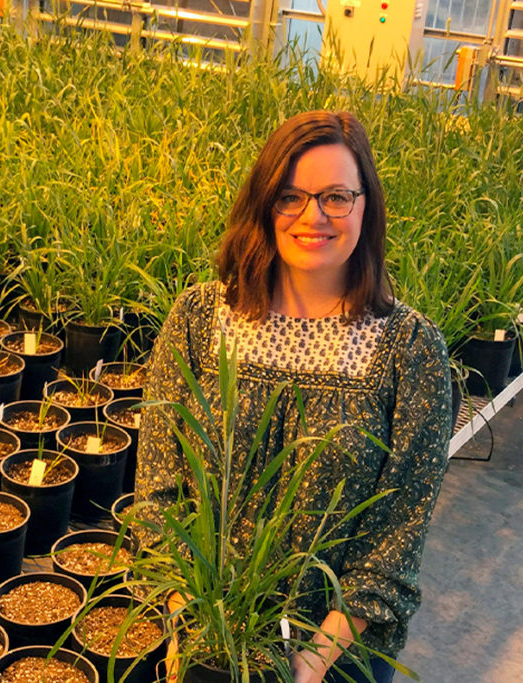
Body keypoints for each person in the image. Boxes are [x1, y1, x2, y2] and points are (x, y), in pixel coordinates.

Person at [135, 110, 453, 683]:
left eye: (336, 197)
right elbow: (158, 494)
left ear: (366, 205)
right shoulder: (199, 320)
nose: (314, 217)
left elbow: (397, 535)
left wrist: (312, 662)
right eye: (291, 197)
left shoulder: (409, 348)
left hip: (336, 657)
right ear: (265, 204)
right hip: (207, 645)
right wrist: (189, 625)